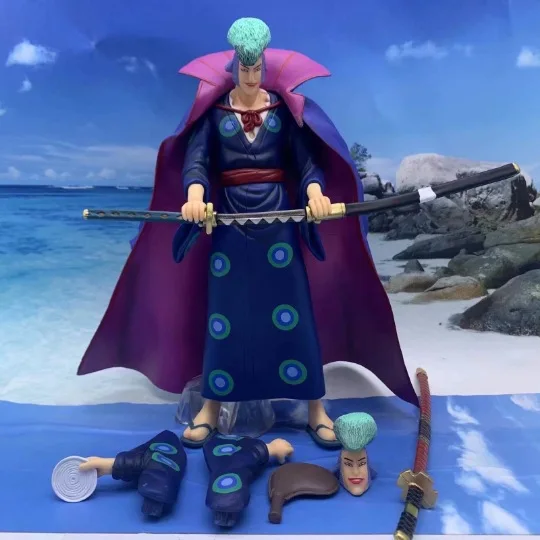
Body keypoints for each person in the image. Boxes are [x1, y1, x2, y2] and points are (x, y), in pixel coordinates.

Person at [77, 17, 418, 449]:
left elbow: (306, 163)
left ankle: (316, 408)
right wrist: (195, 196)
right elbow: (197, 163)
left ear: (265, 67)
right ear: (234, 66)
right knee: (225, 318)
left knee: (295, 314)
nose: (252, 76)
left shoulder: (282, 112)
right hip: (229, 225)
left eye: (258, 68)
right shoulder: (215, 116)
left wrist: (315, 193)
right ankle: (211, 406)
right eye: (245, 68)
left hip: (279, 223)